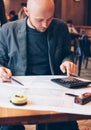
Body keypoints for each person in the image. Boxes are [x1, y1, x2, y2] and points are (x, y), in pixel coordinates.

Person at [0, 0, 79, 130]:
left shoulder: (60, 27)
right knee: (8, 127)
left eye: (49, 19)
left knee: (65, 124)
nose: (45, 25)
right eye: (39, 20)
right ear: (27, 11)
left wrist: (67, 61)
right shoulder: (8, 30)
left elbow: (67, 53)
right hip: (18, 88)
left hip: (53, 89)